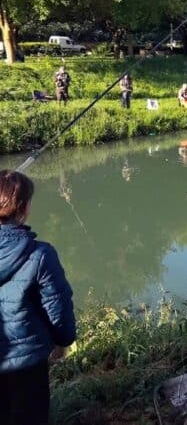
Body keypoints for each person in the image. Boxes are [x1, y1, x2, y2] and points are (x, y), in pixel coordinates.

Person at [0, 170, 76, 425]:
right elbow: (58, 306)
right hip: (28, 364)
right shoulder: (41, 255)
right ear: (24, 208)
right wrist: (63, 341)